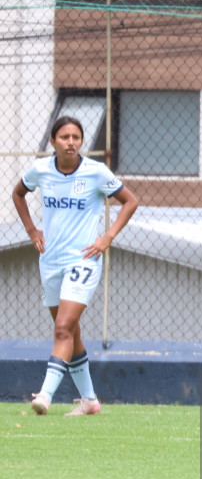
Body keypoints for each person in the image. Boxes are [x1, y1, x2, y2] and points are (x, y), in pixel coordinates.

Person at [12, 116, 139, 416]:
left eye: (76, 137)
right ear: (54, 141)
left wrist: (107, 237)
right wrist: (32, 230)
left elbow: (130, 201)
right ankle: (90, 401)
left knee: (63, 327)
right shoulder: (41, 170)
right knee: (71, 333)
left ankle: (44, 395)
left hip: (83, 260)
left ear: (82, 142)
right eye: (65, 137)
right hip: (50, 260)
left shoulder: (96, 172)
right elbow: (18, 194)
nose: (71, 142)